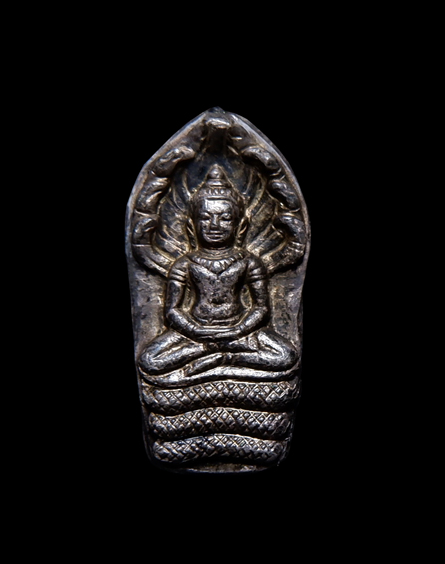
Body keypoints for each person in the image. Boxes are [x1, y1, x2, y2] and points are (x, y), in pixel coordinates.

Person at [138, 164, 298, 381]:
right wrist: (195, 330)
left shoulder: (249, 262)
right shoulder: (184, 264)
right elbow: (172, 311)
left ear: (241, 225)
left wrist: (238, 329)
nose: (214, 225)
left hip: (239, 331)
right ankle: (220, 355)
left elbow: (261, 308)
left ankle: (219, 360)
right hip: (194, 333)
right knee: (149, 359)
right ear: (191, 225)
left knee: (287, 355)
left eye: (225, 218)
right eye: (205, 218)